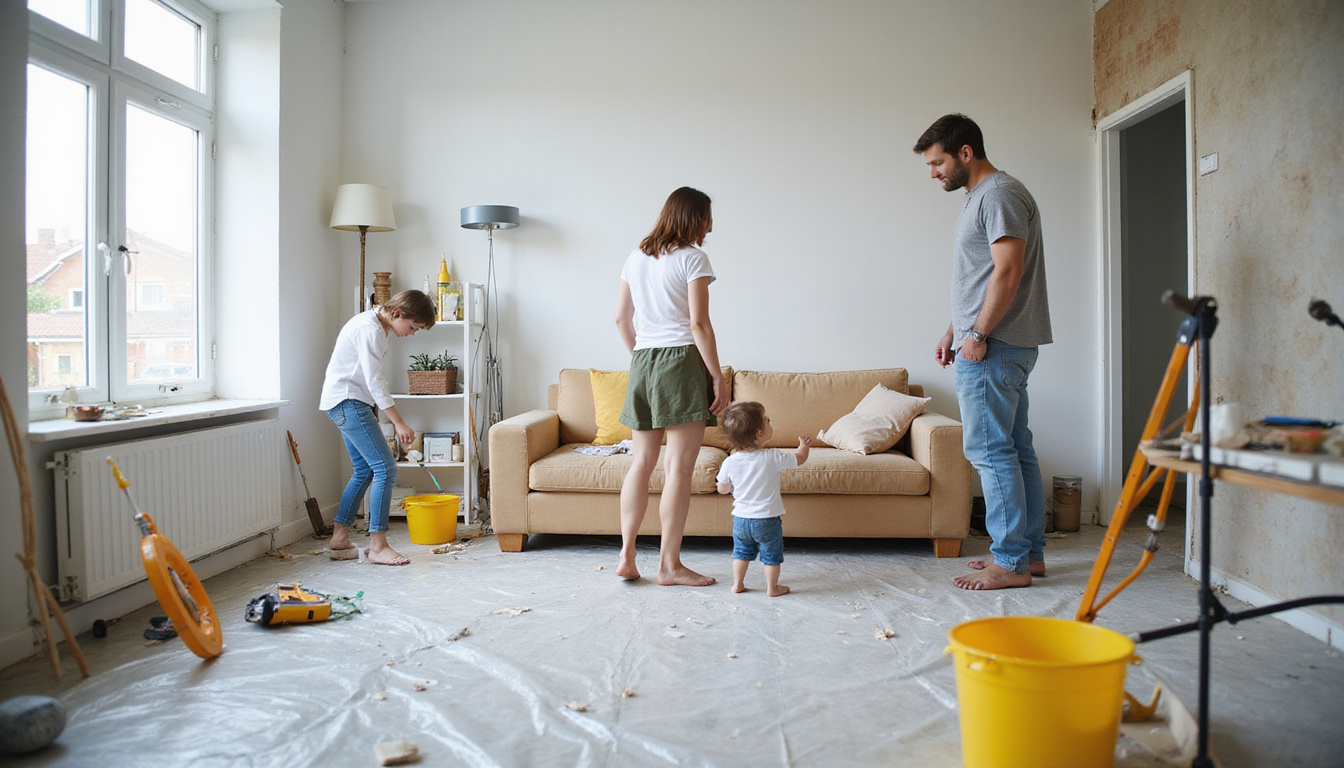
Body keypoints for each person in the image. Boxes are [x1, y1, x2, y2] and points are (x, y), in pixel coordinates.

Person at [913, 113, 1053, 591]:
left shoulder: (998, 195)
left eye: (937, 163)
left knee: (990, 453)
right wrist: (955, 329)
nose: (933, 173)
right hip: (997, 342)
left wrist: (977, 335)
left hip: (995, 346)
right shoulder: (984, 197)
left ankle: (1011, 561)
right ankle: (1027, 554)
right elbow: (982, 277)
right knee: (1015, 449)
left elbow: (1008, 271)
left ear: (965, 153)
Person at [615, 186, 726, 586]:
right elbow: (698, 324)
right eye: (707, 219)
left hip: (643, 362)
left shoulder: (636, 257)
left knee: (642, 463)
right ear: (693, 218)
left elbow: (621, 319)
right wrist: (717, 376)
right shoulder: (693, 258)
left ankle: (627, 556)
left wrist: (642, 357)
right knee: (678, 468)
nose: (710, 228)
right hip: (681, 362)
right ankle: (669, 566)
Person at [319, 289, 437, 566]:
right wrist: (398, 422)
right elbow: (374, 381)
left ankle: (339, 539)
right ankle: (378, 545)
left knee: (364, 470)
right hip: (348, 401)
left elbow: (368, 380)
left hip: (343, 402)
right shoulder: (369, 329)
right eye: (413, 326)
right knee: (386, 468)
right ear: (397, 313)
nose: (412, 333)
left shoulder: (375, 325)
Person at [715, 401, 810, 596]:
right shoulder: (772, 457)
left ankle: (737, 584)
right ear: (759, 433)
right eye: (767, 420)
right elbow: (799, 459)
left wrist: (729, 487)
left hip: (741, 520)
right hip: (767, 520)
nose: (770, 422)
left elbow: (722, 489)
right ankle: (772, 588)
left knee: (741, 553)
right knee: (771, 555)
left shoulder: (730, 462)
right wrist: (804, 446)